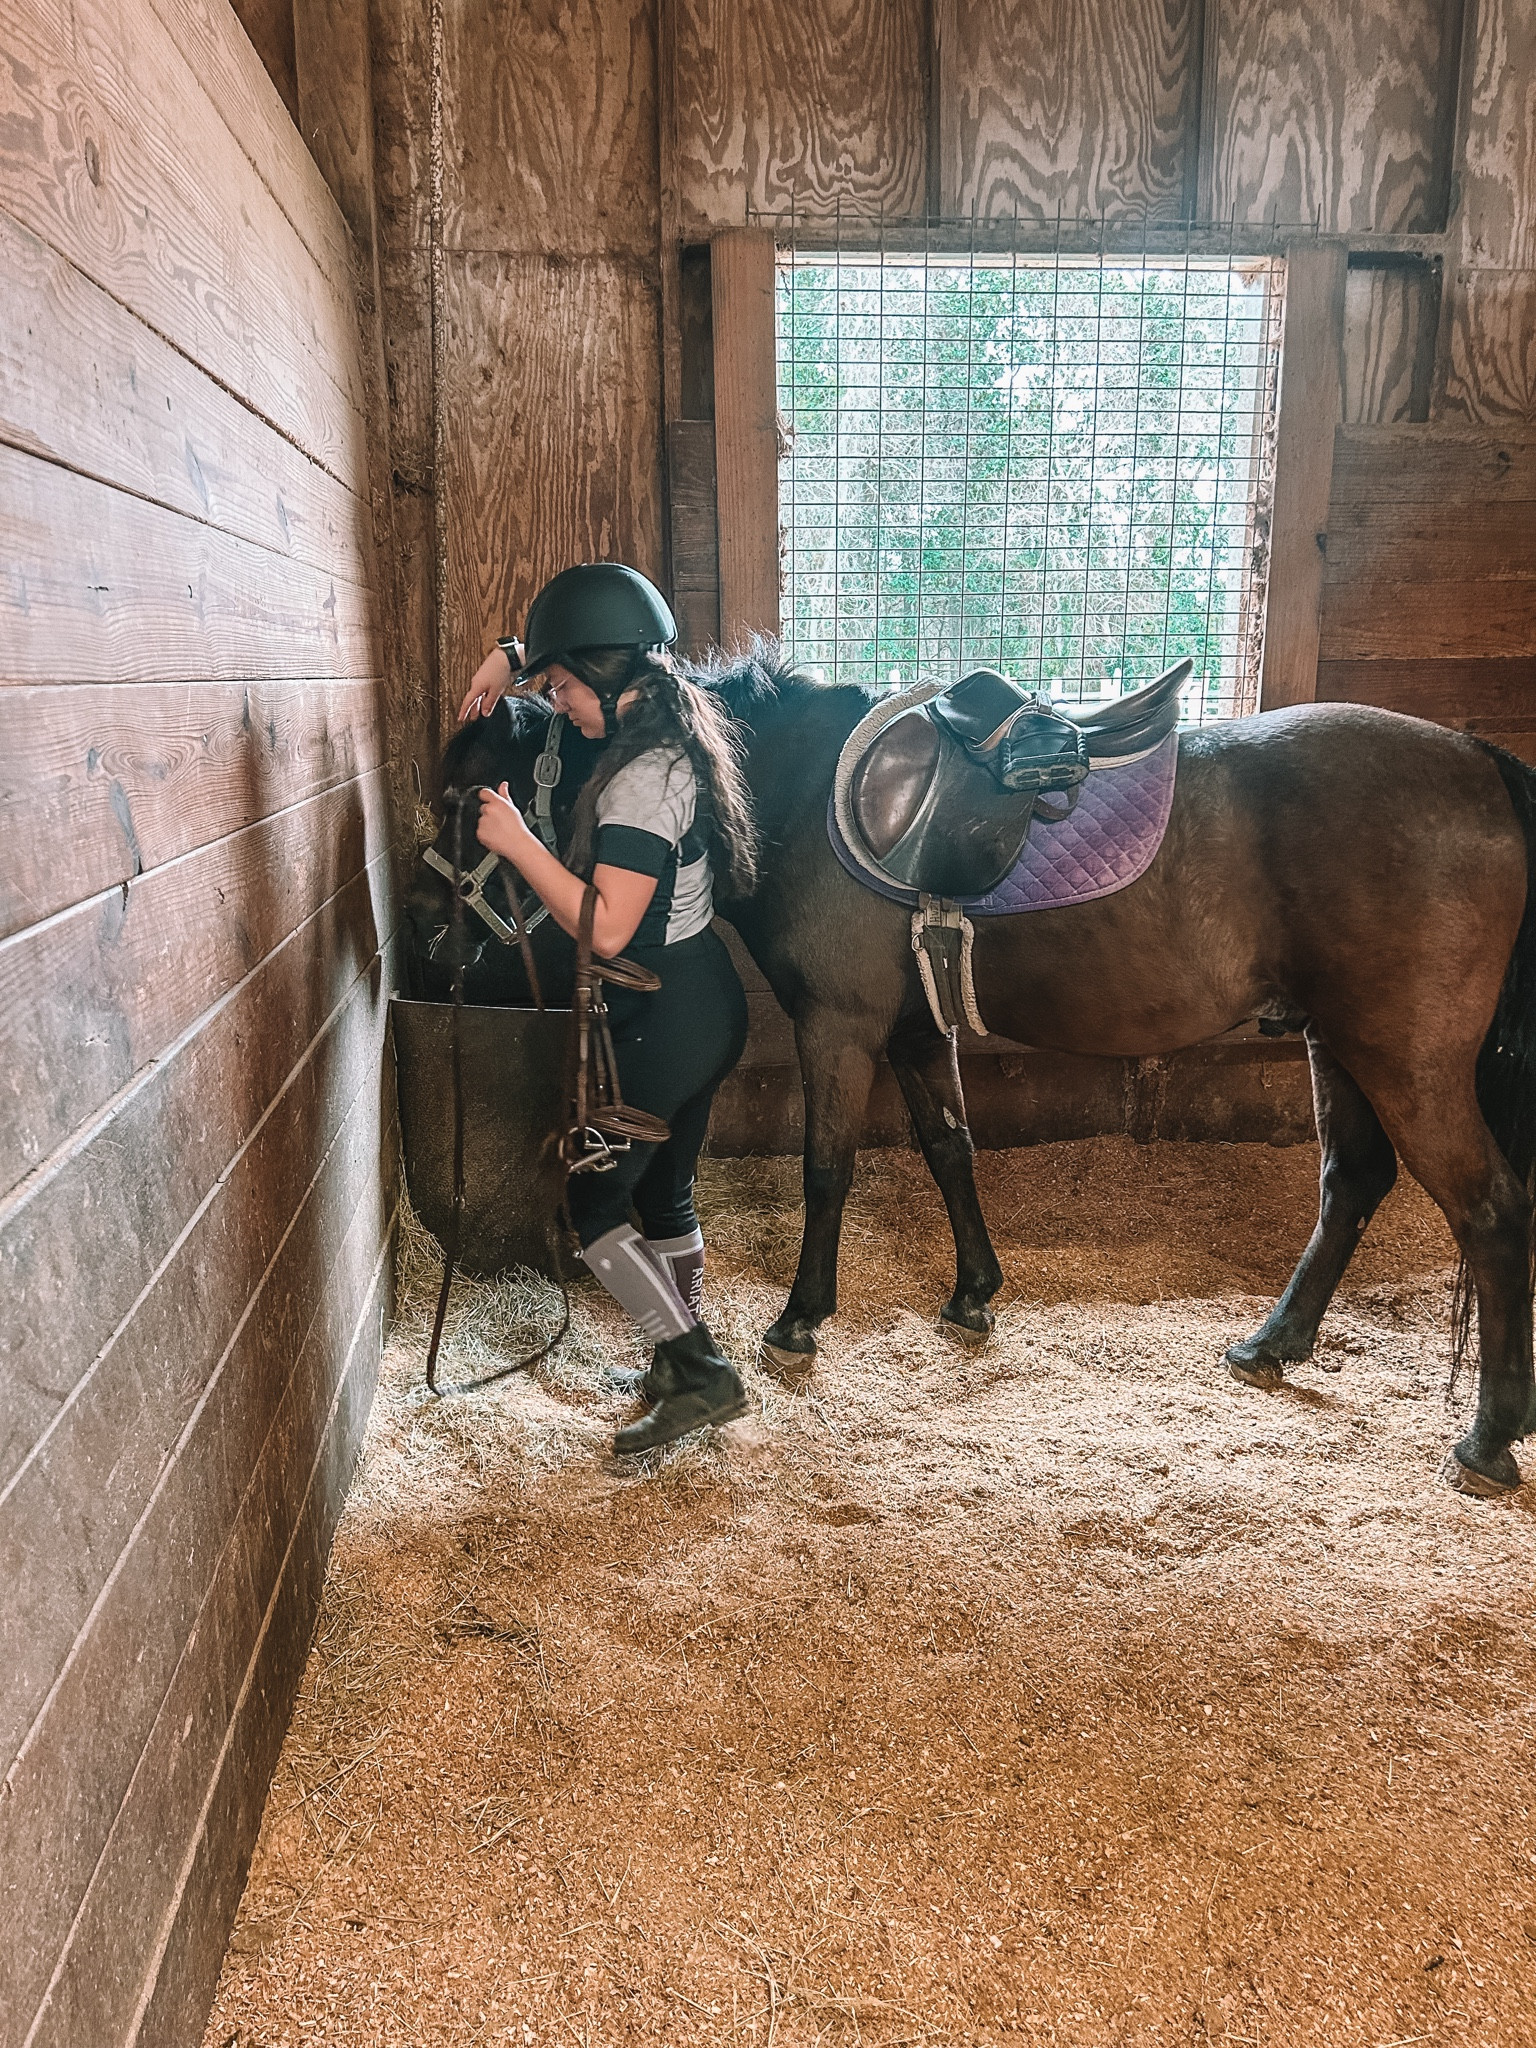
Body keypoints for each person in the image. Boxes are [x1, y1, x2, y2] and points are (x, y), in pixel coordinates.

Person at [462, 563, 754, 1455]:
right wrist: (513, 657)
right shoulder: (663, 727)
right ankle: (675, 1359)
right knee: (665, 1194)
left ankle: (699, 1371)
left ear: (606, 674)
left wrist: (516, 843)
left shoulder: (639, 779)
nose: (560, 707)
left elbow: (611, 926)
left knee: (593, 1200)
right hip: (702, 999)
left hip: (666, 1009)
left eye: (562, 688)